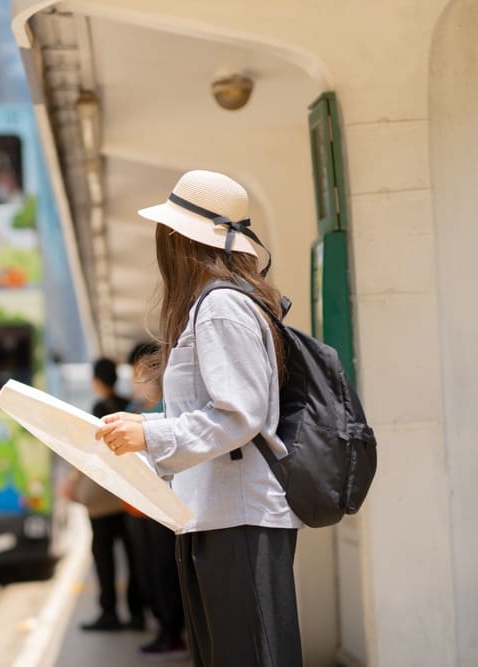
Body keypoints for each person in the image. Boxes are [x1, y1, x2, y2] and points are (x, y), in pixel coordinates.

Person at [96, 170, 303, 666]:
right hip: (218, 513)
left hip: (238, 516)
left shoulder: (220, 307)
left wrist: (149, 431)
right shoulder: (218, 304)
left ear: (180, 239)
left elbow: (240, 416)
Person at [64, 357, 146, 632]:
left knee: (104, 554)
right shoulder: (128, 406)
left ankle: (109, 612)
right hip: (130, 495)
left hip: (104, 498)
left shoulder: (99, 408)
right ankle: (137, 613)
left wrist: (72, 480)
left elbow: (92, 450)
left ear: (97, 381)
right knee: (134, 555)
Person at [123, 341, 188, 661]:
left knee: (164, 573)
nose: (136, 381)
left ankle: (172, 633)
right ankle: (167, 631)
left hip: (161, 507)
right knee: (155, 573)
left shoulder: (164, 410)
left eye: (139, 374)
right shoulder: (144, 409)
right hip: (144, 507)